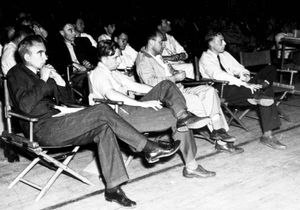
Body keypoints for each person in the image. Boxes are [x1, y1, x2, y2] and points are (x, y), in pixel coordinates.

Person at [6, 34, 181, 208]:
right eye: (40, 53)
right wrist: (44, 80)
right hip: (41, 127)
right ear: (27, 56)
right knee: (102, 109)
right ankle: (147, 147)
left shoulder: (41, 72)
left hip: (60, 122)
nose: (46, 56)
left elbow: (69, 101)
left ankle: (113, 188)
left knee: (103, 127)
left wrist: (59, 82)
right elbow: (26, 105)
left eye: (45, 52)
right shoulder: (16, 73)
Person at [88, 39, 217, 181]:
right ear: (104, 58)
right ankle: (191, 166)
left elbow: (135, 86)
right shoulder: (99, 74)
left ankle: (183, 115)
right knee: (175, 117)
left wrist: (161, 93)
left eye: (119, 56)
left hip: (131, 109)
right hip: (121, 117)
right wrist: (144, 104)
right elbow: (111, 95)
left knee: (166, 85)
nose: (120, 60)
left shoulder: (113, 72)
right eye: (116, 57)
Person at [136, 29, 244, 154]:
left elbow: (170, 71)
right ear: (151, 42)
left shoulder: (157, 56)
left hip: (181, 89)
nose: (164, 45)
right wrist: (174, 78)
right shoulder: (144, 59)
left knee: (210, 91)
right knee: (209, 106)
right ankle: (221, 140)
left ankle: (218, 132)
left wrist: (176, 73)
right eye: (161, 42)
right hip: (170, 97)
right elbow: (150, 82)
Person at [199, 30, 286, 150]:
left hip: (241, 84)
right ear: (211, 43)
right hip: (223, 89)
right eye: (221, 41)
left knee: (270, 68)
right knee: (265, 93)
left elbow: (239, 68)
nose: (224, 43)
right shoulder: (206, 58)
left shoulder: (225, 55)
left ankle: (261, 89)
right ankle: (267, 135)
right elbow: (219, 75)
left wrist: (244, 74)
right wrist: (244, 84)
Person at [47, 17, 97, 105]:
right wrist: (73, 64)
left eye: (74, 29)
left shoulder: (83, 42)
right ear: (62, 33)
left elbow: (95, 56)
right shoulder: (56, 46)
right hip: (71, 76)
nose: (74, 33)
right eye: (70, 30)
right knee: (89, 77)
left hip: (87, 72)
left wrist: (91, 65)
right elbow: (56, 62)